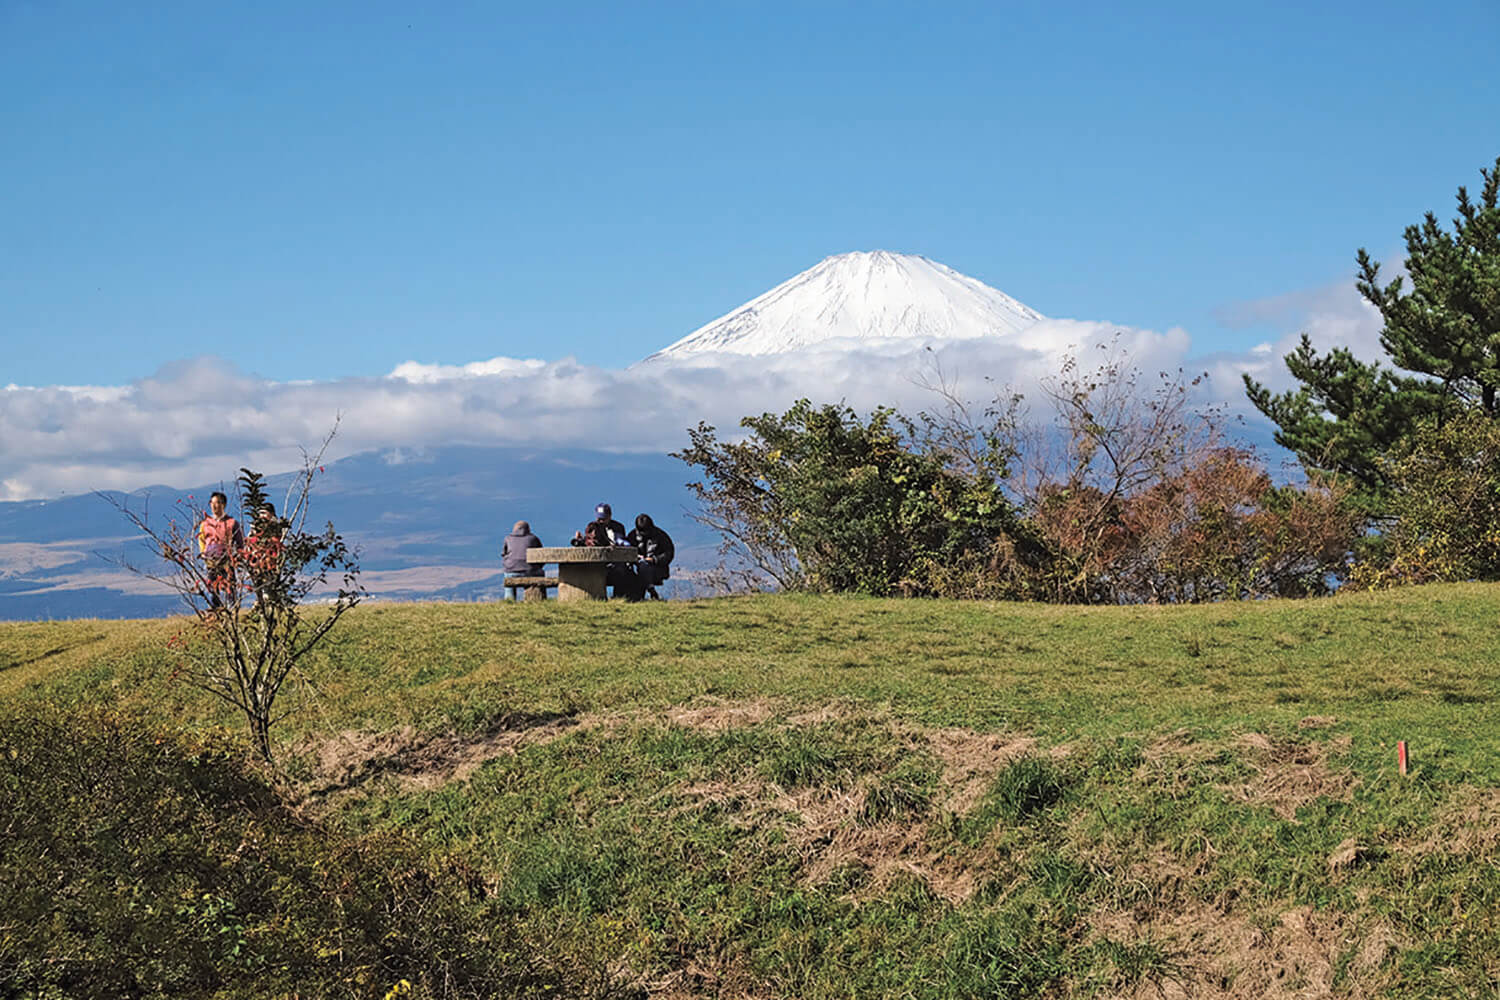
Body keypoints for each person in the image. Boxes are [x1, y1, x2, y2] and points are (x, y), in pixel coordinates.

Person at [571, 503, 639, 599]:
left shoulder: (618, 527)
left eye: (604, 518)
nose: (601, 521)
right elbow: (591, 542)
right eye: (599, 519)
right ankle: (596, 597)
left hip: (615, 562)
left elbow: (623, 544)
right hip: (597, 562)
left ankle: (619, 597)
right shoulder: (593, 527)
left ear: (610, 516)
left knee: (621, 570)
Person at [197, 490, 244, 609]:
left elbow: (240, 542)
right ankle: (216, 611)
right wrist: (203, 553)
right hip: (211, 560)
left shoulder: (232, 523)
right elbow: (201, 539)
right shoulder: (205, 523)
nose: (213, 506)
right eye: (211, 503)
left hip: (227, 559)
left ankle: (232, 610)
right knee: (213, 587)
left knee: (230, 587)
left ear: (223, 504)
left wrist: (238, 556)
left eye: (217, 503)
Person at [244, 503, 286, 611]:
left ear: (271, 514)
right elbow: (250, 541)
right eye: (260, 513)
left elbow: (276, 542)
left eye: (264, 513)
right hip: (257, 560)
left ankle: (264, 606)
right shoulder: (256, 526)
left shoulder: (275, 526)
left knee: (269, 586)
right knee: (261, 585)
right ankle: (264, 606)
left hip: (270, 560)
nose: (261, 516)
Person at [627, 513, 674, 600]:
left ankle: (642, 595)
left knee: (643, 567)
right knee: (639, 568)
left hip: (657, 568)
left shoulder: (661, 536)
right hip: (636, 567)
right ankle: (650, 590)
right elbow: (626, 552)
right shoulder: (632, 536)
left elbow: (669, 553)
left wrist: (654, 560)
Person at [501, 520, 544, 601]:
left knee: (508, 578)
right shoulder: (533, 538)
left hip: (511, 571)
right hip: (530, 571)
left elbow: (504, 554)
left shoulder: (508, 538)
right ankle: (534, 599)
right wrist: (537, 567)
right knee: (540, 572)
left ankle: (509, 601)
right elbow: (541, 556)